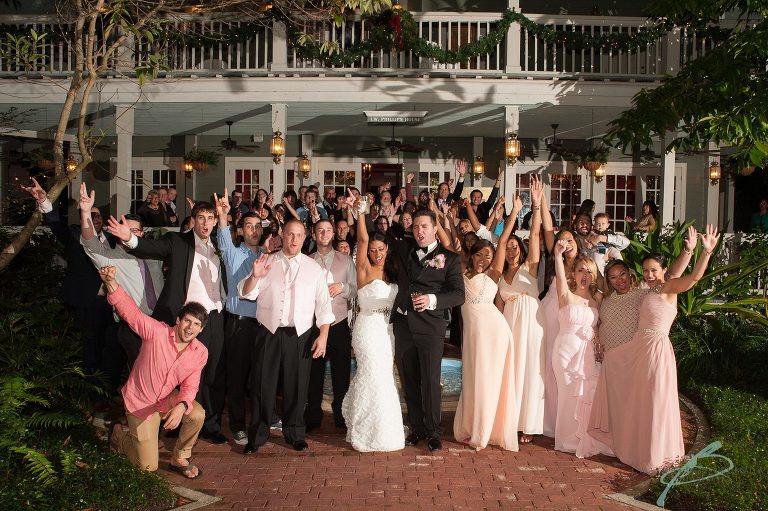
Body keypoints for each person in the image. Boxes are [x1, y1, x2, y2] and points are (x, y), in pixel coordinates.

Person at [592, 225, 719, 474]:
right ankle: (639, 450)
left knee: (656, 401)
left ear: (663, 271)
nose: (649, 274)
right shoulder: (650, 289)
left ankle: (657, 456)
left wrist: (704, 252)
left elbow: (691, 279)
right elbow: (670, 273)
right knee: (642, 402)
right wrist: (687, 250)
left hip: (656, 349)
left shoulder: (668, 288)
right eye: (646, 270)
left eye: (654, 270)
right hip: (638, 348)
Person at [107, 201, 229, 444]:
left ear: (216, 221)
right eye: (201, 217)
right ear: (193, 220)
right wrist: (130, 240)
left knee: (214, 374)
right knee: (183, 376)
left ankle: (211, 426)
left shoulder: (220, 247)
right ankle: (175, 425)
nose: (205, 223)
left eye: (210, 218)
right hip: (187, 321)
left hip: (214, 318)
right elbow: (151, 247)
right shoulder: (179, 242)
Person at [100, 266, 207, 480]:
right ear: (178, 320)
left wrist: (181, 405)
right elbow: (131, 313)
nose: (190, 328)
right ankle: (119, 436)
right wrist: (111, 283)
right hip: (141, 403)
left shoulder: (200, 352)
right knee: (147, 467)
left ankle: (180, 457)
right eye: (187, 321)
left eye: (196, 324)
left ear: (201, 330)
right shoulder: (156, 332)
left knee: (196, 413)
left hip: (165, 398)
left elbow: (190, 386)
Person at [237, 219, 334, 453]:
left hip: (300, 334)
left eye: (299, 235)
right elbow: (244, 293)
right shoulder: (266, 262)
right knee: (262, 385)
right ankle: (258, 435)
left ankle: (295, 433)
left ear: (305, 237)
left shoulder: (315, 269)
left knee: (297, 386)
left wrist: (323, 336)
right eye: (290, 234)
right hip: (268, 332)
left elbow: (323, 305)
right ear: (282, 235)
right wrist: (255, 276)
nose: (294, 239)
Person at [22, 177, 114, 374]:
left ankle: (108, 388)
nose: (94, 219)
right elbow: (56, 224)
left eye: (97, 215)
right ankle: (88, 388)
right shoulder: (75, 235)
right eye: (89, 214)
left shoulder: (114, 240)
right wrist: (43, 201)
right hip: (85, 301)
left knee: (110, 348)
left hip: (113, 304)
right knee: (88, 347)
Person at [390, 209, 465, 452]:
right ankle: (417, 428)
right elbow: (380, 239)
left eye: (424, 226)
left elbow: (458, 294)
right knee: (409, 379)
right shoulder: (405, 250)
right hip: (404, 325)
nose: (419, 231)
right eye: (416, 227)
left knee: (431, 381)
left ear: (435, 229)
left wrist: (432, 299)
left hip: (431, 326)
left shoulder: (450, 259)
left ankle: (433, 431)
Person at [78, 183, 164, 388]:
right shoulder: (110, 258)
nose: (130, 234)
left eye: (135, 231)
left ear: (142, 235)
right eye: (126, 229)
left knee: (158, 377)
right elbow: (90, 242)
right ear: (117, 232)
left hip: (159, 325)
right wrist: (85, 212)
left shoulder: (153, 255)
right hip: (133, 328)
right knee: (142, 379)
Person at [341, 203, 404, 451]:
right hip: (367, 329)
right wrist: (362, 212)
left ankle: (385, 429)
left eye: (381, 249)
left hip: (387, 331)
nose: (376, 253)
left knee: (385, 378)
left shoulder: (394, 272)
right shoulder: (363, 269)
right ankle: (366, 431)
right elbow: (363, 237)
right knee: (372, 376)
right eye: (373, 250)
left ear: (388, 249)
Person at [453, 226, 520, 451]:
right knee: (473, 378)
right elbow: (448, 243)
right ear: (471, 255)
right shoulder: (461, 271)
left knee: (487, 379)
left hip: (494, 331)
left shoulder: (494, 274)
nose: (483, 259)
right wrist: (444, 218)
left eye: (488, 256)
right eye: (479, 254)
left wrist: (513, 214)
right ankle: (475, 426)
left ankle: (483, 433)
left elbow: (501, 243)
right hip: (473, 333)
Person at [495, 176, 545, 444]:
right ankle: (512, 421)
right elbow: (498, 308)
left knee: (530, 371)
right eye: (509, 247)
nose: (512, 250)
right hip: (510, 326)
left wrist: (536, 206)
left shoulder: (531, 267)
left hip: (532, 324)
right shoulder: (501, 278)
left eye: (516, 246)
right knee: (512, 372)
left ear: (522, 249)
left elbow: (535, 234)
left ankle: (529, 424)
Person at [213, 190, 264, 446]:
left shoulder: (267, 256)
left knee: (258, 378)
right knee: (236, 377)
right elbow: (222, 239)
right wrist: (223, 217)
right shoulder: (233, 253)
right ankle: (236, 425)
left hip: (262, 327)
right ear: (241, 231)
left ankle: (258, 422)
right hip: (237, 325)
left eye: (258, 226)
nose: (254, 230)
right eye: (249, 226)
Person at [551, 244, 610, 458]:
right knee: (567, 395)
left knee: (587, 396)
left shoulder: (597, 299)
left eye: (589, 271)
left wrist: (602, 260)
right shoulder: (565, 294)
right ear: (573, 274)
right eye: (581, 270)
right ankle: (567, 440)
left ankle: (586, 439)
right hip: (565, 352)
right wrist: (558, 255)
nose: (584, 275)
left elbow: (598, 326)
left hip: (587, 354)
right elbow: (559, 271)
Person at [306, 219, 357, 432]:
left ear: (333, 233)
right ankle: (313, 415)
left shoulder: (345, 260)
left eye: (328, 230)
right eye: (320, 230)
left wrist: (343, 287)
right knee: (313, 373)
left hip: (339, 323)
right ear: (314, 233)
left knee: (341, 372)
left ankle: (341, 414)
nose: (325, 234)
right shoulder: (306, 261)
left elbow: (355, 290)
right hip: (313, 324)